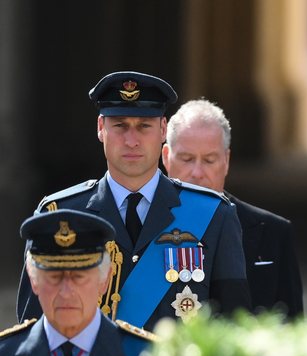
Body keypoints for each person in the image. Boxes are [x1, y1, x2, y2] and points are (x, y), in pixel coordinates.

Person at [17, 71, 251, 330]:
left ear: (163, 129)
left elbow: (232, 328)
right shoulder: (59, 214)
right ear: (100, 129)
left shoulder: (213, 214)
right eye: (120, 126)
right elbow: (33, 334)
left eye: (144, 126)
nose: (131, 141)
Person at [0, 209, 155, 356]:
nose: (66, 292)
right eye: (54, 277)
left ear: (105, 280)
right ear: (33, 280)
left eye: (79, 277)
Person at [161, 99, 303, 318]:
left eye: (209, 160)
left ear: (226, 161)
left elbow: (291, 334)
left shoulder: (273, 233)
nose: (197, 173)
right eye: (187, 159)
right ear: (166, 158)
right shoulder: (140, 223)